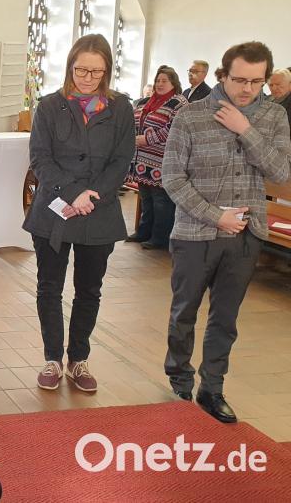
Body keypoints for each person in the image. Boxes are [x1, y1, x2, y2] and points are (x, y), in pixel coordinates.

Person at [162, 41, 291, 423]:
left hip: (246, 236)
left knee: (225, 318)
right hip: (194, 233)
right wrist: (214, 215)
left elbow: (282, 172)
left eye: (257, 81)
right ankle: (180, 373)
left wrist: (246, 129)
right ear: (222, 76)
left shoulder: (272, 117)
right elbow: (172, 177)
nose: (247, 89)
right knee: (184, 311)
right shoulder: (191, 116)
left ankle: (212, 388)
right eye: (239, 80)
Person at [23, 34, 135, 394]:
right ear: (70, 66)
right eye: (81, 70)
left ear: (107, 71)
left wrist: (93, 196)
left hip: (98, 212)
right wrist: (73, 192)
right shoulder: (49, 105)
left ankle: (78, 359)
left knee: (89, 289)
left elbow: (122, 160)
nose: (87, 78)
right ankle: (53, 358)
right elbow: (41, 157)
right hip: (55, 208)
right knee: (50, 286)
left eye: (96, 72)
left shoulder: (120, 108)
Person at [125, 66, 188, 250]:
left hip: (163, 160)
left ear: (173, 83)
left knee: (161, 201)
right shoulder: (145, 101)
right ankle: (143, 232)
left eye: (164, 81)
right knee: (146, 198)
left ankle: (160, 237)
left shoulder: (179, 103)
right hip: (142, 159)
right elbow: (132, 121)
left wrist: (147, 139)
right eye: (158, 80)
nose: (160, 84)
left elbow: (174, 129)